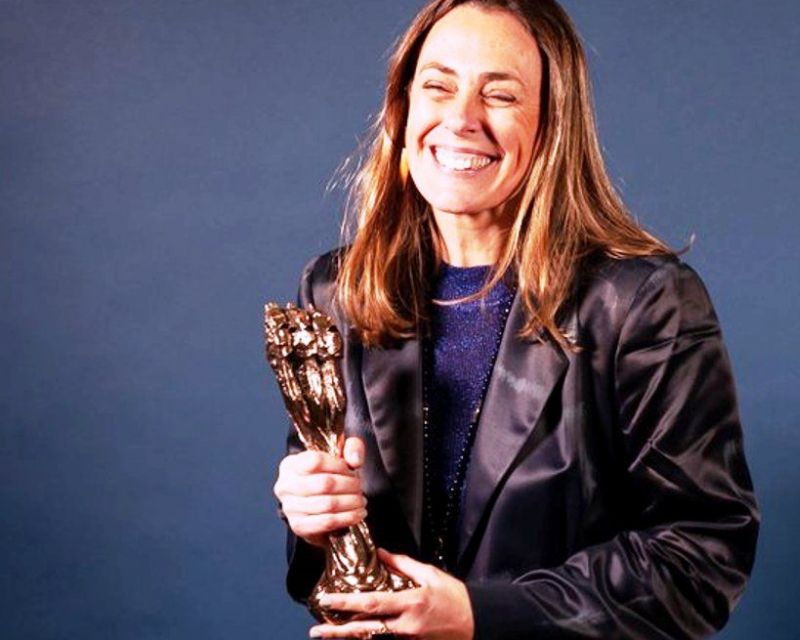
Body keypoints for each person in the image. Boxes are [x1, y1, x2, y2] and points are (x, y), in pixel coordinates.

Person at [272, 1, 759, 638]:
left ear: (553, 125)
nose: (461, 119)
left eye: (499, 95)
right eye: (438, 86)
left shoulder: (644, 303)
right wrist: (314, 520)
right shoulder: (337, 291)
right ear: (402, 108)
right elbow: (330, 569)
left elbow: (700, 558)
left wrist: (479, 615)